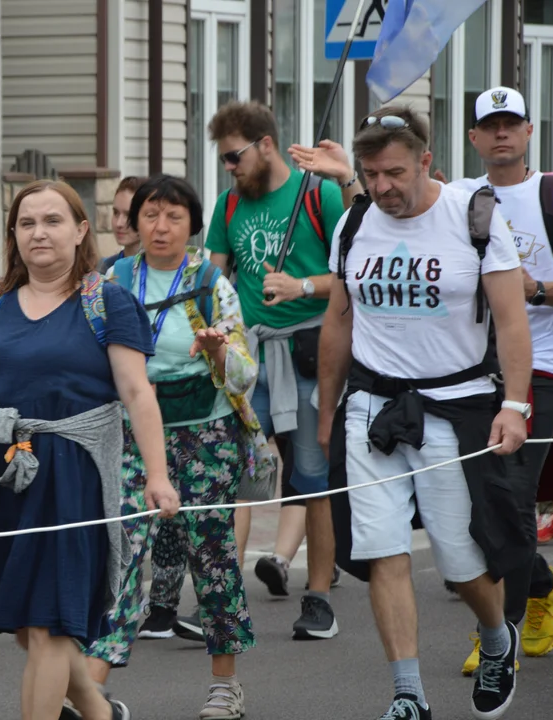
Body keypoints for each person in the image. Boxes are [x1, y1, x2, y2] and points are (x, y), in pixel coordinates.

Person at [318, 106, 532, 720]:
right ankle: (408, 695)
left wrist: (514, 406)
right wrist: (327, 410)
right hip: (372, 406)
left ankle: (496, 637)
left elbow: (513, 321)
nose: (382, 187)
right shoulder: (355, 222)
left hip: (455, 405)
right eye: (369, 174)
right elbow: (339, 322)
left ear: (426, 161)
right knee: (384, 549)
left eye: (394, 172)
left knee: (461, 557)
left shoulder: (475, 217)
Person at [0, 179, 179, 720]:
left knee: (48, 625)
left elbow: (137, 393)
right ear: (13, 234)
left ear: (81, 229)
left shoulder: (106, 301)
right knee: (27, 626)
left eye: (53, 220)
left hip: (73, 479)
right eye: (27, 222)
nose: (39, 232)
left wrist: (158, 475)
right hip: (6, 471)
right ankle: (99, 712)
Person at [83, 174, 265, 720]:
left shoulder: (213, 283)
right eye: (150, 215)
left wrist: (216, 352)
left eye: (174, 217)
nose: (160, 227)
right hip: (133, 435)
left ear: (193, 226)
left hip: (206, 434)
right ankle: (91, 691)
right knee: (121, 553)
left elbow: (242, 376)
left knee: (211, 556)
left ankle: (224, 685)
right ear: (133, 223)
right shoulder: (110, 280)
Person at [448, 87, 553, 675]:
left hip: (543, 366)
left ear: (530, 131)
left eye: (513, 123)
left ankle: (497, 638)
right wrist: (347, 181)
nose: (502, 133)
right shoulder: (461, 196)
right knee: (481, 508)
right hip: (471, 371)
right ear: (475, 138)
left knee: (508, 498)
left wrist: (528, 290)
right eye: (491, 125)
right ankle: (545, 584)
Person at [201, 100, 349, 640]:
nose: (229, 168)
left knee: (312, 482)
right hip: (251, 362)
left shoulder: (320, 194)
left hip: (312, 355)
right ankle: (225, 596)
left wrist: (301, 286)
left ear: (266, 145)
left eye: (234, 157)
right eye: (222, 160)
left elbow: (356, 269)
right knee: (241, 481)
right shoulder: (229, 205)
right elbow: (212, 280)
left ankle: (320, 598)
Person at [99, 176, 145, 273]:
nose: (119, 223)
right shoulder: (106, 267)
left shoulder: (160, 269)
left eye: (128, 215)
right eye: (116, 213)